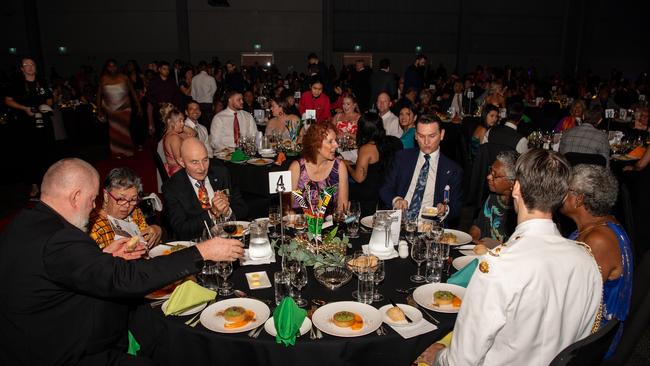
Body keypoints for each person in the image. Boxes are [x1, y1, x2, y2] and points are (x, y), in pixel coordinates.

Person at [0, 158, 244, 366]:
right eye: (93, 199)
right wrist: (201, 252)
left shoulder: (27, 222)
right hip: (61, 352)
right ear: (76, 197)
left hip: (32, 340)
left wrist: (104, 258)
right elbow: (127, 279)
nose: (94, 207)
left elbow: (61, 271)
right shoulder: (60, 238)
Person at [419, 149, 602, 366]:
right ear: (562, 196)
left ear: (516, 189)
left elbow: (461, 362)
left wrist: (438, 357)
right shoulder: (587, 260)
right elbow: (584, 340)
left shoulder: (499, 265)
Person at [561, 164, 633, 358]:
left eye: (566, 189)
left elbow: (574, 300)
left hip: (590, 342)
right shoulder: (596, 226)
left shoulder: (598, 240)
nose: (560, 192)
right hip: (583, 324)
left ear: (579, 199)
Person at [379, 114, 463, 221]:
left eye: (432, 136)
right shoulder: (402, 158)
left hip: (430, 226)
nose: (426, 142)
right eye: (421, 136)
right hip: (400, 221)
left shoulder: (453, 170)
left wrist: (445, 209)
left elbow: (457, 208)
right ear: (415, 135)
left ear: (441, 135)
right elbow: (385, 188)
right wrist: (396, 200)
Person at [163, 138, 248, 240]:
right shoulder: (172, 187)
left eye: (205, 160)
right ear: (181, 162)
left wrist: (227, 211)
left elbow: (243, 209)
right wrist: (212, 213)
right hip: (199, 245)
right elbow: (182, 230)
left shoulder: (221, 173)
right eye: (194, 162)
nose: (202, 168)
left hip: (229, 238)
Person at [4, 57, 54, 199]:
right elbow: (7, 100)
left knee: (47, 151)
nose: (30, 67)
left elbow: (50, 98)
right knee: (30, 154)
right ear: (22, 68)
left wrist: (47, 105)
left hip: (44, 122)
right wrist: (24, 108)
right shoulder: (16, 83)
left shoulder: (42, 81)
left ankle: (47, 183)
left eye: (32, 64)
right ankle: (34, 185)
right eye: (26, 65)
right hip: (26, 124)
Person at [89, 167, 162, 249]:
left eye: (133, 199)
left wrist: (157, 229)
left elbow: (149, 244)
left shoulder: (135, 212)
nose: (127, 205)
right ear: (106, 195)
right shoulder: (93, 225)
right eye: (121, 199)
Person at [343, 112, 400, 216]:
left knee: (343, 185)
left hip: (369, 192)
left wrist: (346, 165)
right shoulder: (388, 142)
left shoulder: (367, 149)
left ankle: (345, 217)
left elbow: (359, 178)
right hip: (382, 186)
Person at [289, 122, 349, 214]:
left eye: (335, 140)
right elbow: (288, 207)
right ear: (316, 145)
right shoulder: (297, 168)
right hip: (300, 225)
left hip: (330, 226)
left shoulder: (339, 167)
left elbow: (342, 209)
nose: (336, 145)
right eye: (330, 141)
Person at [469, 151, 518, 247]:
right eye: (490, 171)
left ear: (512, 182)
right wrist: (472, 240)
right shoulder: (493, 196)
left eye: (495, 175)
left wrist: (496, 246)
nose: (488, 177)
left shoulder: (519, 209)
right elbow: (478, 226)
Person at [96, 59, 140, 158]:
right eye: (109, 66)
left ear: (116, 67)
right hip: (111, 110)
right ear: (107, 68)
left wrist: (138, 106)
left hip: (125, 108)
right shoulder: (103, 79)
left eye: (113, 66)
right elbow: (99, 95)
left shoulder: (124, 77)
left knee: (124, 129)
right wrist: (99, 109)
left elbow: (132, 91)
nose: (112, 68)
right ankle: (117, 152)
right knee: (114, 132)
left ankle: (127, 150)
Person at [147, 61, 182, 139]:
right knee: (160, 131)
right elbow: (149, 95)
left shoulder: (171, 81)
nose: (167, 71)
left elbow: (177, 94)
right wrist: (157, 103)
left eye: (168, 69)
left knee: (171, 129)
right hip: (159, 110)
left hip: (170, 110)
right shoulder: (154, 81)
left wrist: (174, 105)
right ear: (159, 69)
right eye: (164, 69)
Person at [160, 103, 187, 176]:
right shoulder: (174, 137)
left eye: (183, 121)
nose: (183, 124)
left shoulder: (168, 135)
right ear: (170, 122)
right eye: (180, 121)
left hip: (175, 170)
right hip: (179, 173)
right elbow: (179, 161)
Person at [191, 61, 217, 130]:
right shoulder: (211, 78)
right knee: (209, 123)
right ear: (207, 68)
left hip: (198, 103)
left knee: (200, 123)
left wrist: (195, 101)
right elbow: (214, 89)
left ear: (199, 68)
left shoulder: (194, 78)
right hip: (208, 103)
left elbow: (193, 93)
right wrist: (209, 96)